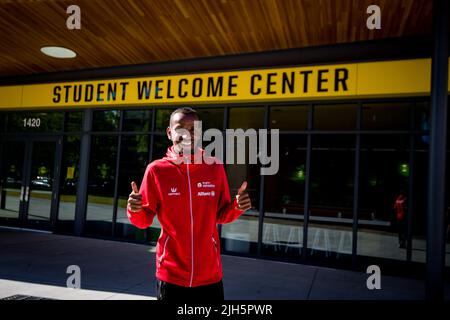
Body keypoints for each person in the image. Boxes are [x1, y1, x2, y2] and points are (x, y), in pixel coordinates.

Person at [127, 107, 251, 302]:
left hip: (210, 275)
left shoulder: (214, 167)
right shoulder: (156, 171)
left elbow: (222, 214)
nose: (188, 134)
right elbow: (143, 221)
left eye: (193, 129)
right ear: (170, 133)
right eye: (180, 128)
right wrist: (134, 210)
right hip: (171, 275)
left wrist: (237, 206)